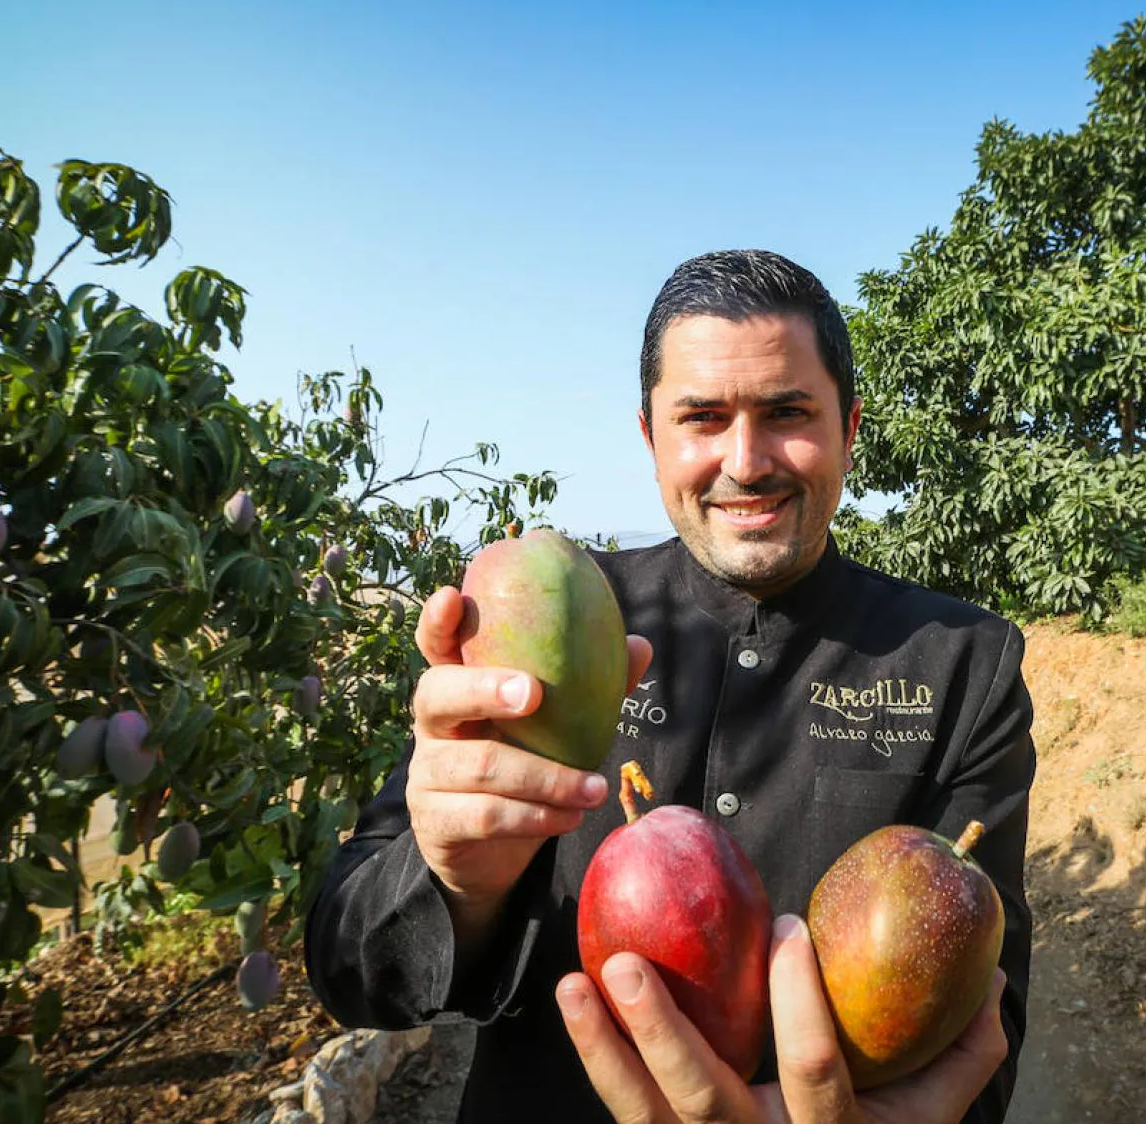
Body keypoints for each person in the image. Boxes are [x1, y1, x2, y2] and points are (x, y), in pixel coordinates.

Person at [307, 249, 1036, 1123]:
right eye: (702, 418)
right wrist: (456, 885)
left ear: (849, 427)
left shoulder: (964, 662)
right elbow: (353, 972)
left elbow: (979, 1023)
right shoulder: (549, 617)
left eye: (787, 413)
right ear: (652, 437)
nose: (745, 460)